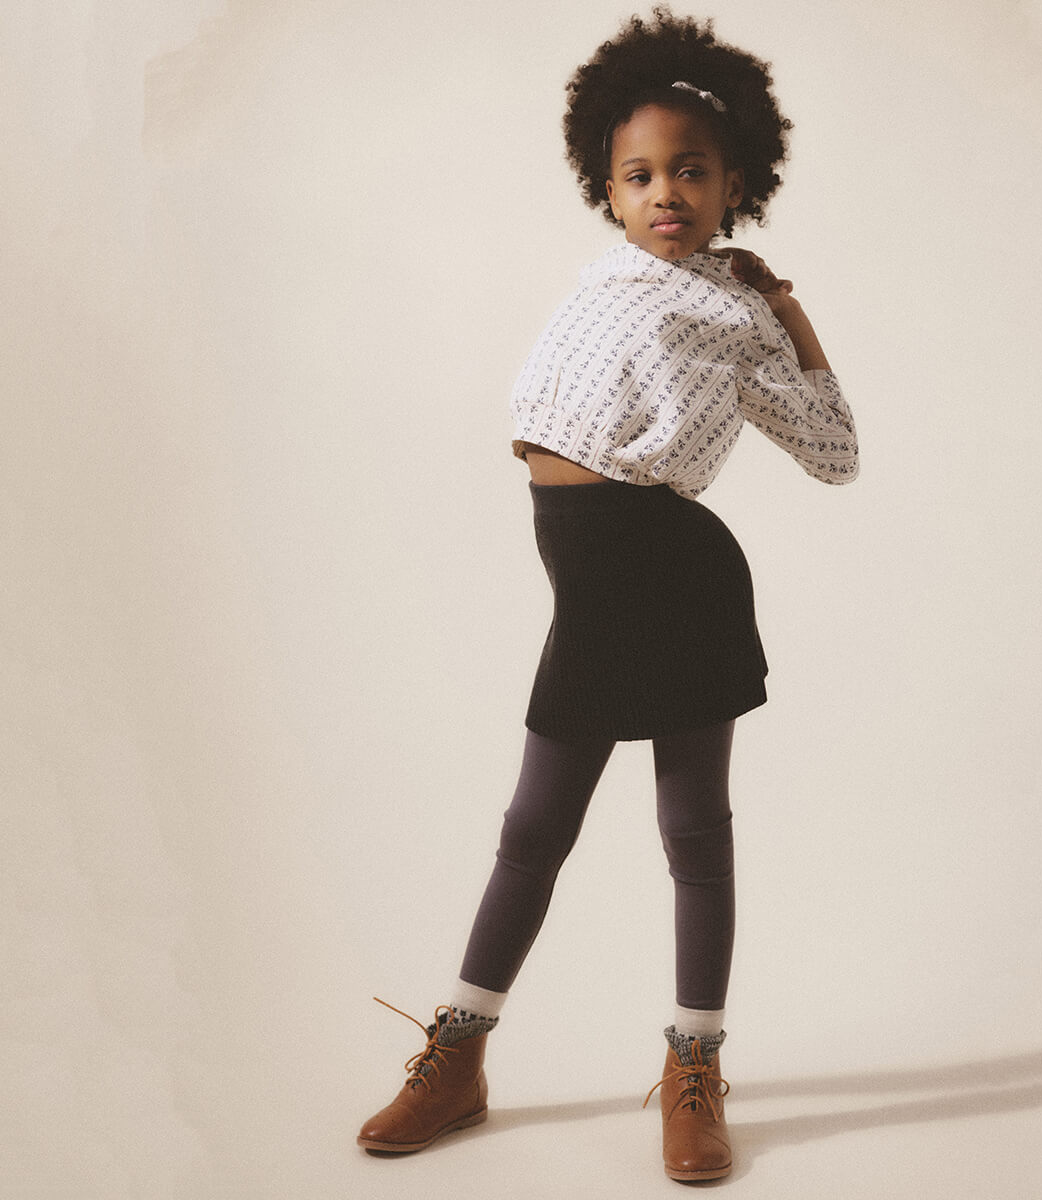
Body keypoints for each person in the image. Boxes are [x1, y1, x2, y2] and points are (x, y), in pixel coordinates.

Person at [357, 7, 858, 1182]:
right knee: (534, 828)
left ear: (736, 183)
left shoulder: (737, 311)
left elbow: (835, 454)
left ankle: (695, 1069)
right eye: (640, 174)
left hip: (679, 582)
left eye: (692, 169)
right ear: (608, 189)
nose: (665, 190)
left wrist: (788, 310)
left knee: (693, 830)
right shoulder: (606, 278)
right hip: (590, 587)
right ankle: (459, 1056)